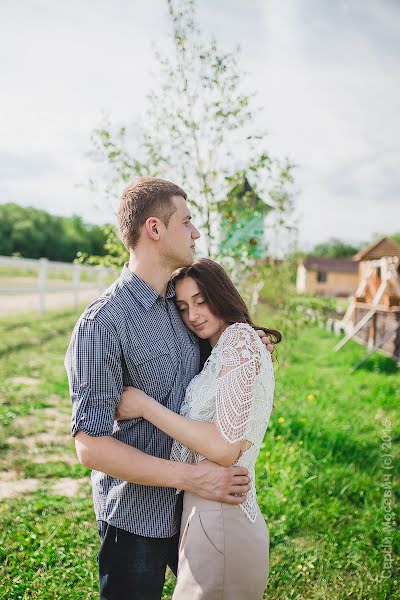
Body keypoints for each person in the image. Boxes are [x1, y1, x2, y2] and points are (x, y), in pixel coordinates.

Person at [65, 177, 275, 600]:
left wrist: (251, 345)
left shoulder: (182, 308)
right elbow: (91, 448)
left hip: (193, 512)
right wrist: (192, 477)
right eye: (187, 221)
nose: (196, 233)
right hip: (135, 518)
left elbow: (219, 387)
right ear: (155, 229)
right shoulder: (103, 323)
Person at [116, 258, 280, 599]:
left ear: (221, 295)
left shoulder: (239, 340)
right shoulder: (222, 349)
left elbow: (224, 447)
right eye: (183, 306)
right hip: (207, 513)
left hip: (220, 518)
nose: (193, 315)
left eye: (201, 301)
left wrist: (145, 406)